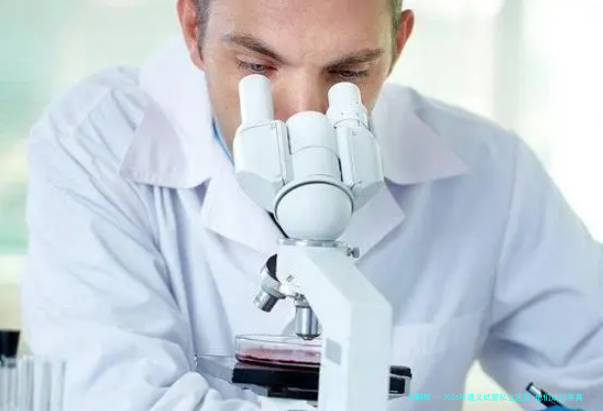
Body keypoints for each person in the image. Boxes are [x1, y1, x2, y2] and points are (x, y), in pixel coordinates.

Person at [21, 0, 603, 410]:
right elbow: (115, 397)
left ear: (398, 44)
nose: (303, 111)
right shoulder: (96, 140)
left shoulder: (491, 173)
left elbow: (587, 381)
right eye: (257, 67)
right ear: (193, 26)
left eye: (349, 73)